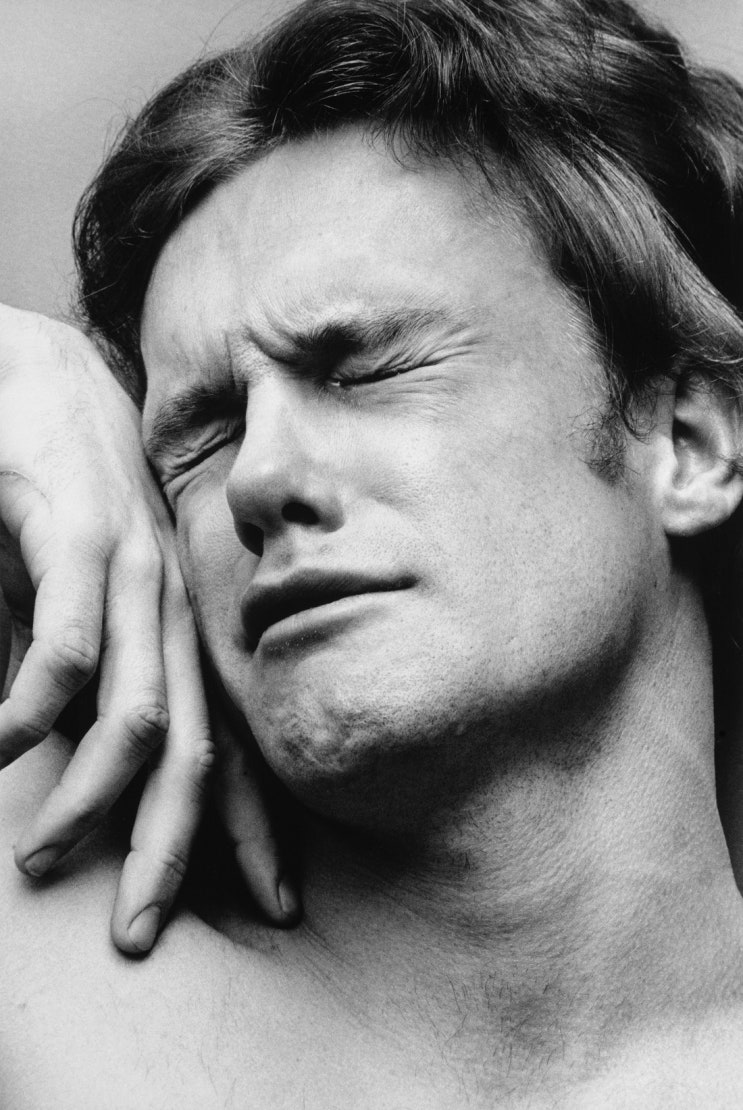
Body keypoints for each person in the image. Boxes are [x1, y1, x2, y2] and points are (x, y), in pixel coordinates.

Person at [2, 0, 743, 1104]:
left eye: (363, 369)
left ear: (686, 445)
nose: (256, 478)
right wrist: (24, 370)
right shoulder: (33, 969)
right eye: (198, 435)